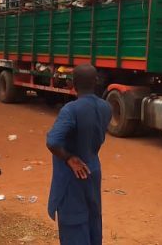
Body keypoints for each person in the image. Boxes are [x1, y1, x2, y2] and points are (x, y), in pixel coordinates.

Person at [46, 64, 111, 245]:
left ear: (72, 84)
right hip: (93, 170)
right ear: (96, 81)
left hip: (73, 175)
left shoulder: (71, 109)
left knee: (73, 224)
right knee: (93, 219)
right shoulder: (106, 107)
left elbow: (52, 142)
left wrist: (69, 158)